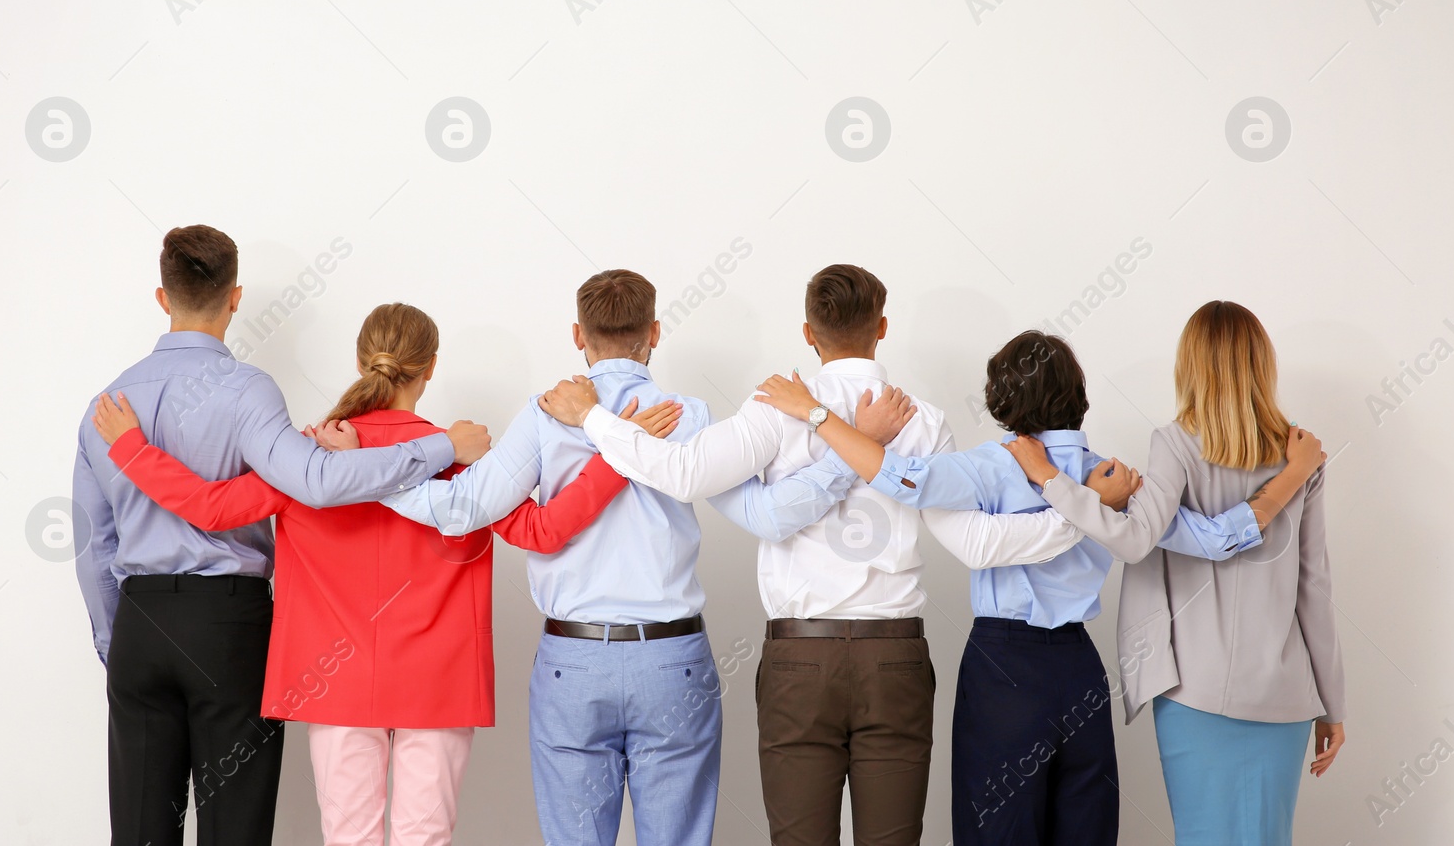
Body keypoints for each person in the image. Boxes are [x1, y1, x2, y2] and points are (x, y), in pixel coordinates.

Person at [538, 265, 1097, 846]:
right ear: (882, 327)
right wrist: (1080, 514)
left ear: (808, 332)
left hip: (798, 661)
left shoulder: (774, 406)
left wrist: (592, 417)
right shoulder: (923, 421)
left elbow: (680, 473)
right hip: (896, 658)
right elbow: (977, 543)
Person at [90, 302, 680, 846]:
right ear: (430, 368)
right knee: (425, 837)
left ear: (360, 360)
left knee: (349, 838)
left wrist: (133, 448)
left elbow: (210, 509)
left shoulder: (306, 456)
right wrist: (618, 456)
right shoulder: (464, 459)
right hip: (437, 681)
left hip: (333, 680)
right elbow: (543, 531)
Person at [323, 270, 862, 846]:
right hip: (672, 662)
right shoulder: (688, 416)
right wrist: (854, 453)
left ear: (578, 335)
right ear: (654, 333)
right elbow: (769, 517)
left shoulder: (544, 413)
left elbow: (461, 508)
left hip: (572, 663)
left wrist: (364, 472)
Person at [753, 328, 1321, 845]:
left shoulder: (994, 466)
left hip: (1003, 673)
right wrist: (1293, 475)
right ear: (1080, 396)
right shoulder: (1114, 478)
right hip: (1080, 673)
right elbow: (1219, 539)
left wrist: (817, 415)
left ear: (1004, 401)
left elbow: (901, 479)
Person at [72, 227, 490, 846]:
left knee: (137, 831)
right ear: (235, 297)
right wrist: (442, 446)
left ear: (163, 297)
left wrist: (118, 641)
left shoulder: (105, 407)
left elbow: (93, 548)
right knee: (234, 829)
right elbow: (318, 483)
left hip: (138, 626)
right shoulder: (248, 391)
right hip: (227, 627)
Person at [1006, 301, 1344, 845]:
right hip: (1285, 691)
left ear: (1190, 364)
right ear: (1263, 364)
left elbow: (1134, 539)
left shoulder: (1175, 442)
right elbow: (1314, 585)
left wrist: (1051, 481)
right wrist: (1333, 702)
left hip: (1192, 687)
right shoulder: (1301, 454)